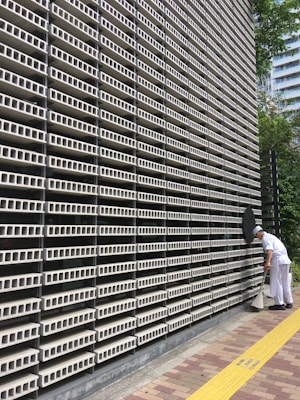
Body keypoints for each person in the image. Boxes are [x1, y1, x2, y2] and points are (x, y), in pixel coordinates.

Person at [252, 226, 293, 310]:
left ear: (258, 233)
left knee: (277, 281)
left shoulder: (265, 238)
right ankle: (289, 302)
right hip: (285, 260)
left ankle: (279, 303)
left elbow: (270, 250)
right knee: (285, 281)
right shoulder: (271, 236)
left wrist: (267, 262)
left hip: (277, 260)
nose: (258, 237)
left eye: (257, 235)